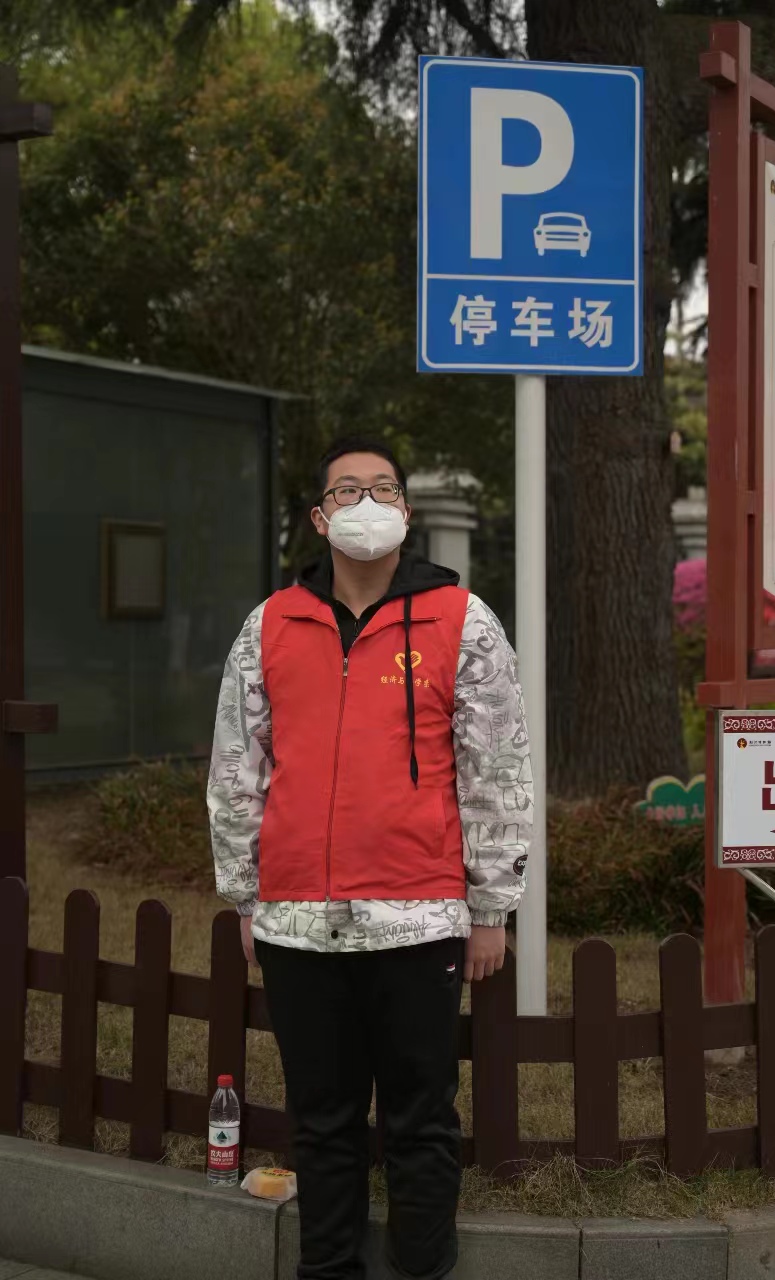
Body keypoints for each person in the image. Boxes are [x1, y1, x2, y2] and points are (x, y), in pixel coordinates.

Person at [207, 436, 533, 1280]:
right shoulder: (270, 625)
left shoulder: (462, 620)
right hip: (296, 923)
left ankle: (421, 1269)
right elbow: (237, 769)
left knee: (422, 1122)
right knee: (321, 1122)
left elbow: (498, 769)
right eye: (345, 490)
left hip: (419, 920)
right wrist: (246, 897)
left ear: (406, 512)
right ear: (320, 518)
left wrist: (491, 908)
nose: (365, 503)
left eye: (382, 488)